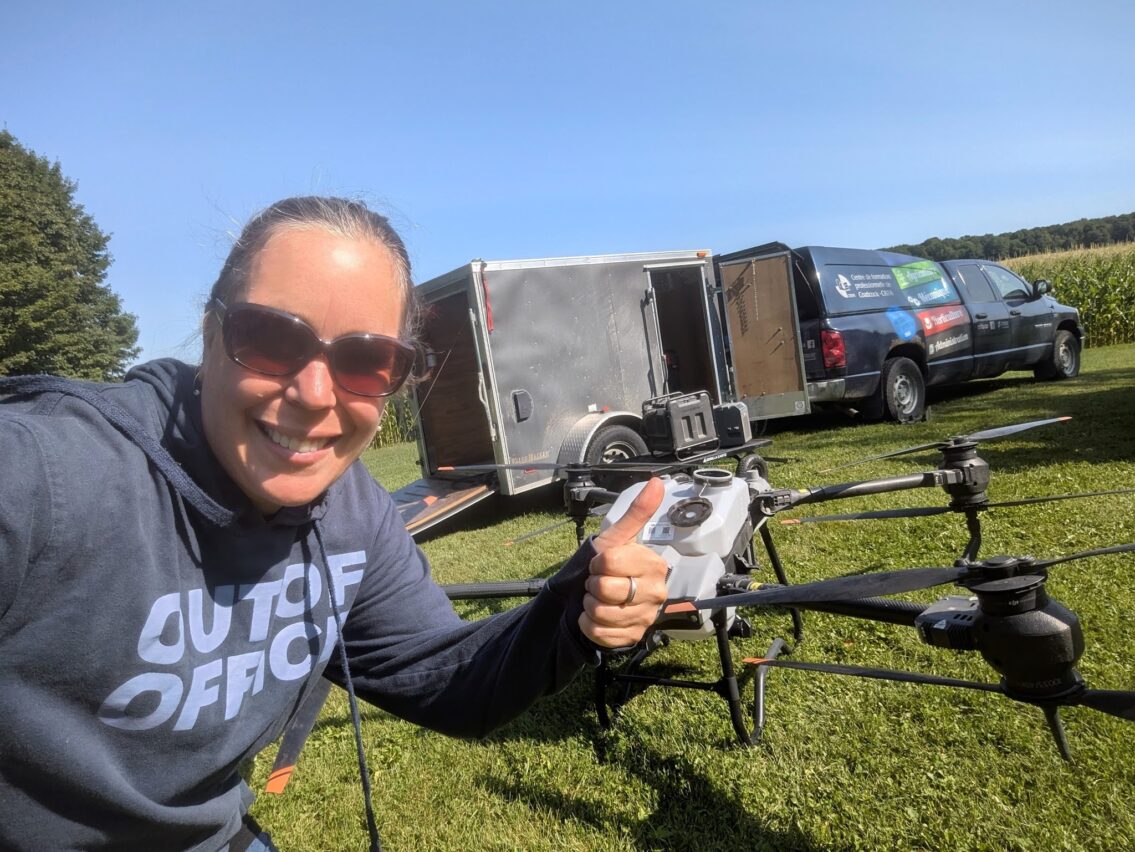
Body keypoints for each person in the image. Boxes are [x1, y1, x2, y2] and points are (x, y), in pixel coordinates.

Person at [0, 196, 670, 851]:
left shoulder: (350, 512)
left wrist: (573, 608)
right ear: (211, 334)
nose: (315, 395)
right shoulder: (48, 476)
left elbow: (448, 681)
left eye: (365, 361)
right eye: (270, 338)